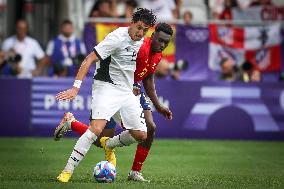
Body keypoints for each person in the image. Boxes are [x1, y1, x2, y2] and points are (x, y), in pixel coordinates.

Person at [54, 23, 174, 182]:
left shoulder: (157, 54)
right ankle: (72, 123)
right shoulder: (139, 46)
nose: (163, 45)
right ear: (152, 36)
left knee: (148, 128)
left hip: (131, 91)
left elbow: (149, 78)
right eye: (160, 40)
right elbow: (116, 62)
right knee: (99, 139)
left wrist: (158, 105)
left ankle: (135, 172)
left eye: (166, 42)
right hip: (113, 88)